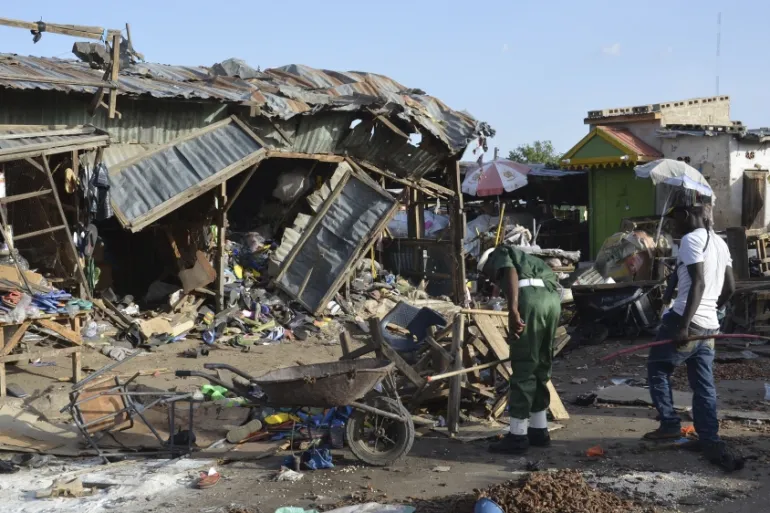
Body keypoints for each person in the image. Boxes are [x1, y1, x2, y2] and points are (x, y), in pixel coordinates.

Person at [645, 203, 742, 471]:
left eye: (676, 221)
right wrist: (714, 309)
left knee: (657, 369)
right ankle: (709, 436)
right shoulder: (721, 244)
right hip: (710, 325)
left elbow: (697, 281)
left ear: (686, 216)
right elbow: (731, 287)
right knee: (703, 384)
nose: (675, 227)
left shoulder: (690, 239)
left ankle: (669, 424)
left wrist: (684, 325)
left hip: (686, 320)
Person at [477, 245, 561, 454]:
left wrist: (513, 310)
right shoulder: (529, 261)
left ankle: (517, 436)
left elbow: (510, 272)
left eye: (490, 274)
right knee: (541, 365)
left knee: (524, 364)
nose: (492, 279)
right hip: (552, 302)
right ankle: (539, 430)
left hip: (531, 302)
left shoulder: (500, 253)